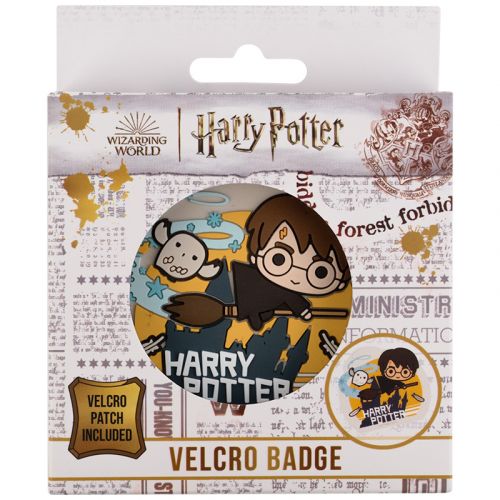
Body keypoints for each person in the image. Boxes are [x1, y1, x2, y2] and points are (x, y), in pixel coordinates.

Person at [232, 194, 350, 330]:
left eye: (320, 272)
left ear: (341, 282)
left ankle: (259, 313)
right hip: (254, 291)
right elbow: (288, 297)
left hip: (266, 298)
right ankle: (258, 313)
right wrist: (302, 310)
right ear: (255, 256)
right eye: (278, 259)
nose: (296, 279)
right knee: (281, 294)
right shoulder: (266, 285)